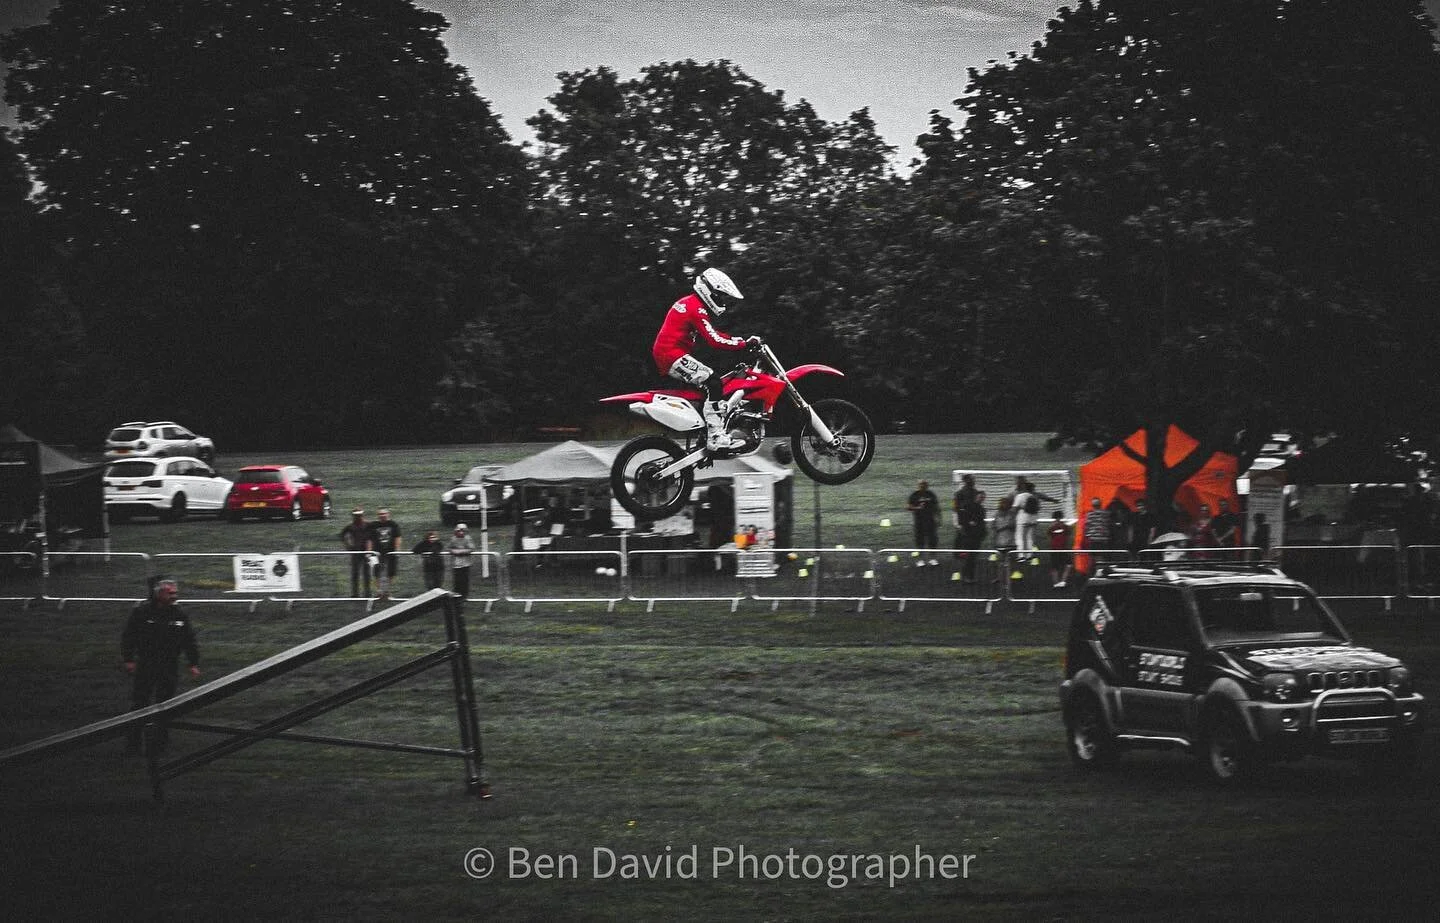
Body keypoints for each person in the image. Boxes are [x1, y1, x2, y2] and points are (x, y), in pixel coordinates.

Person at [651, 267, 760, 452]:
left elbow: (714, 334)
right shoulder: (696, 309)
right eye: (720, 296)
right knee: (714, 382)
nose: (722, 301)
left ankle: (705, 432)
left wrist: (739, 342)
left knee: (709, 387)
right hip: (670, 354)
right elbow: (714, 340)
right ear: (710, 291)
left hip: (669, 353)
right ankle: (716, 437)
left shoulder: (691, 303)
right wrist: (744, 344)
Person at [121, 578, 200, 754]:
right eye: (170, 593)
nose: (175, 596)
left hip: (169, 666)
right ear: (159, 594)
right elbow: (129, 636)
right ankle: (133, 745)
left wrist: (193, 662)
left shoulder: (179, 615)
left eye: (175, 593)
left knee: (165, 706)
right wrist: (129, 659)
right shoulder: (141, 612)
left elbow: (189, 640)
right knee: (139, 704)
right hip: (146, 665)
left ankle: (159, 746)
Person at [1012, 477, 1059, 554]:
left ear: (1025, 488)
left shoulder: (1021, 496)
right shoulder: (1036, 495)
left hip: (1024, 519)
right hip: (1033, 519)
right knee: (1030, 537)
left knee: (1021, 537)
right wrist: (1054, 500)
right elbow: (1045, 498)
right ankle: (1030, 554)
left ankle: (1021, 555)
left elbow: (1014, 509)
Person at [367, 508, 402, 600]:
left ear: (388, 514)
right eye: (380, 514)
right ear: (378, 515)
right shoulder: (374, 525)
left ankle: (387, 591)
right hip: (377, 552)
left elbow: (397, 538)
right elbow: (369, 539)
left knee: (391, 572)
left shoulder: (393, 524)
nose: (382, 515)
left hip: (390, 551)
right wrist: (369, 552)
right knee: (376, 572)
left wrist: (397, 550)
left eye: (384, 513)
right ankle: (379, 591)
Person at [955, 489, 988, 583]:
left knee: (972, 558)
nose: (981, 499)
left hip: (976, 536)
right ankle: (966, 576)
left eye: (983, 497)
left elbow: (980, 522)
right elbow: (962, 517)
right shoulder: (969, 506)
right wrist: (968, 523)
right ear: (976, 497)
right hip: (969, 536)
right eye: (980, 497)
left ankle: (970, 576)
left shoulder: (981, 509)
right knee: (969, 557)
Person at [906, 479, 940, 566]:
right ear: (918, 485)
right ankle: (920, 559)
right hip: (919, 521)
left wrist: (938, 518)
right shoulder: (915, 495)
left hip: (930, 521)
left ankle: (932, 558)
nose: (923, 486)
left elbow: (937, 507)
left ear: (927, 485)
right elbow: (908, 507)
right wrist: (917, 508)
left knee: (932, 539)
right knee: (920, 540)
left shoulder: (931, 494)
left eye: (924, 484)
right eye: (921, 484)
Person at [339, 509, 371, 598]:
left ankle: (367, 593)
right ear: (353, 516)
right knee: (355, 573)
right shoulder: (350, 526)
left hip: (366, 552)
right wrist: (348, 546)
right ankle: (355, 594)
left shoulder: (368, 525)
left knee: (366, 573)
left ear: (362, 515)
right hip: (355, 552)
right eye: (356, 516)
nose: (358, 517)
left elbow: (372, 537)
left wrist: (370, 549)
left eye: (359, 515)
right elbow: (342, 535)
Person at [1080, 497, 1112, 573]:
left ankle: (1096, 572)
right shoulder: (1106, 514)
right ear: (1100, 504)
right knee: (1102, 557)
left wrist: (1088, 535)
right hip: (1103, 539)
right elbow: (1108, 524)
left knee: (1093, 557)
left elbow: (1086, 526)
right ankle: (1100, 571)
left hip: (1093, 539)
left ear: (1092, 505)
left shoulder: (1089, 514)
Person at [447, 522, 476, 602]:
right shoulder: (453, 539)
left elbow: (471, 549)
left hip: (466, 563)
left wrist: (461, 551)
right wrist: (454, 551)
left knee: (464, 580)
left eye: (463, 531)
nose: (461, 532)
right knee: (457, 580)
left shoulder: (467, 538)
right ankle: (456, 595)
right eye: (459, 531)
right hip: (456, 563)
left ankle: (464, 595)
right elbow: (449, 548)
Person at [992, 495, 1017, 581]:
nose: (1004, 505)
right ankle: (999, 577)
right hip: (1000, 541)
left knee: (1009, 561)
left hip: (1010, 541)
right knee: (999, 561)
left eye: (1006, 503)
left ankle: (1007, 578)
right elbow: (994, 527)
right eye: (1003, 503)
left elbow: (1013, 525)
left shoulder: (1011, 514)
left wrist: (1003, 527)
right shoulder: (997, 514)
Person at [1047, 511, 1073, 587]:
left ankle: (1055, 583)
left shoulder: (1051, 527)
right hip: (1063, 549)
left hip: (1054, 549)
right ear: (1061, 517)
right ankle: (1063, 581)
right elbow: (1069, 534)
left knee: (1054, 567)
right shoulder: (1065, 526)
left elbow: (1049, 537)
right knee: (1068, 565)